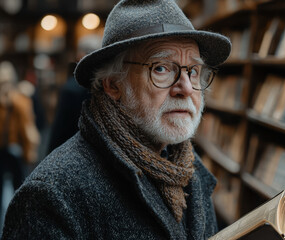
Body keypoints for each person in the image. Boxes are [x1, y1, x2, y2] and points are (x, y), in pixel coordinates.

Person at [1, 0, 231, 239]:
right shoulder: (53, 196)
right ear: (113, 84)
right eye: (161, 68)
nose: (185, 88)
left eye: (193, 71)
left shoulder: (190, 170)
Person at [47, 35, 101, 153]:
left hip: (71, 150)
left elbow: (60, 129)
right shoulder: (107, 86)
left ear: (80, 55)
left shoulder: (70, 89)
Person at [0, 61, 39, 223]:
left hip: (16, 149)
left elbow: (27, 127)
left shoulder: (20, 100)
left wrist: (30, 151)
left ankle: (20, 223)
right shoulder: (19, 99)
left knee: (20, 188)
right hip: (3, 149)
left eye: (6, 82)